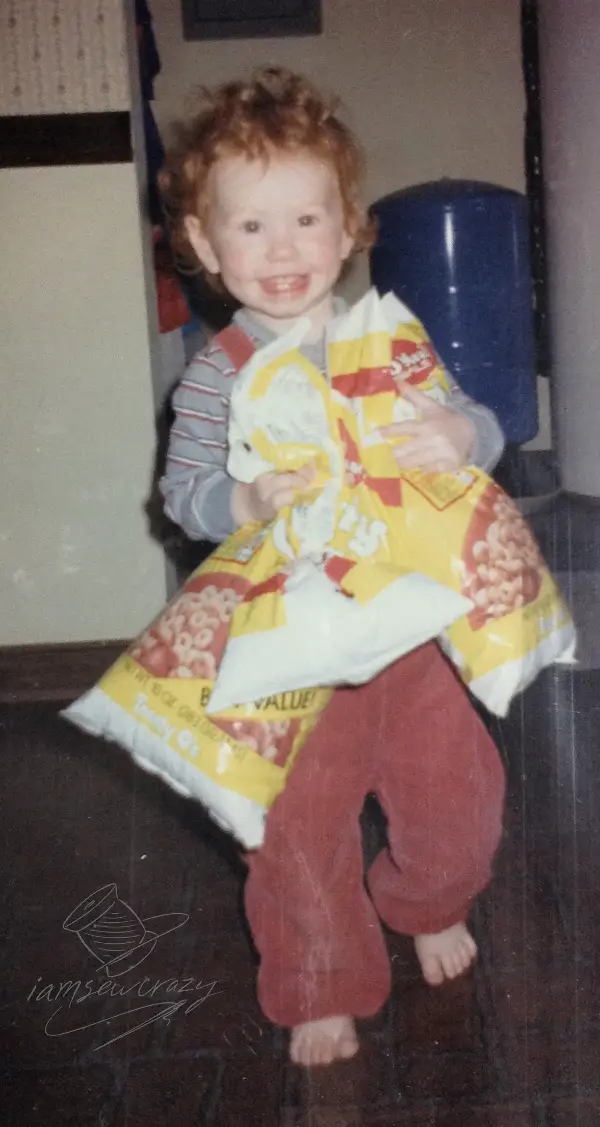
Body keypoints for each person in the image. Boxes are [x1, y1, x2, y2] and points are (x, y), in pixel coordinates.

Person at [159, 67, 506, 1068]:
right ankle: (321, 975)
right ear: (202, 244)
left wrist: (454, 426)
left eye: (305, 219)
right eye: (251, 226)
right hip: (284, 641)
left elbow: (477, 426)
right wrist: (243, 499)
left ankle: (427, 898)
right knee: (298, 822)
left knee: (455, 793)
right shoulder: (217, 370)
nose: (281, 251)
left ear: (349, 227)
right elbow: (181, 495)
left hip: (406, 618)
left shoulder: (381, 338)